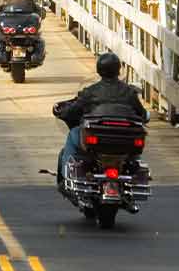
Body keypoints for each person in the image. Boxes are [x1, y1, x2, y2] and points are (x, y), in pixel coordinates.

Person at [52, 53, 149, 186]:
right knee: (134, 153)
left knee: (73, 135)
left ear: (98, 70)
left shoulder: (90, 92)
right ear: (118, 69)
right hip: (125, 141)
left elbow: (73, 111)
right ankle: (134, 174)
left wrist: (63, 112)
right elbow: (142, 114)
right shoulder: (129, 93)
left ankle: (64, 177)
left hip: (98, 141)